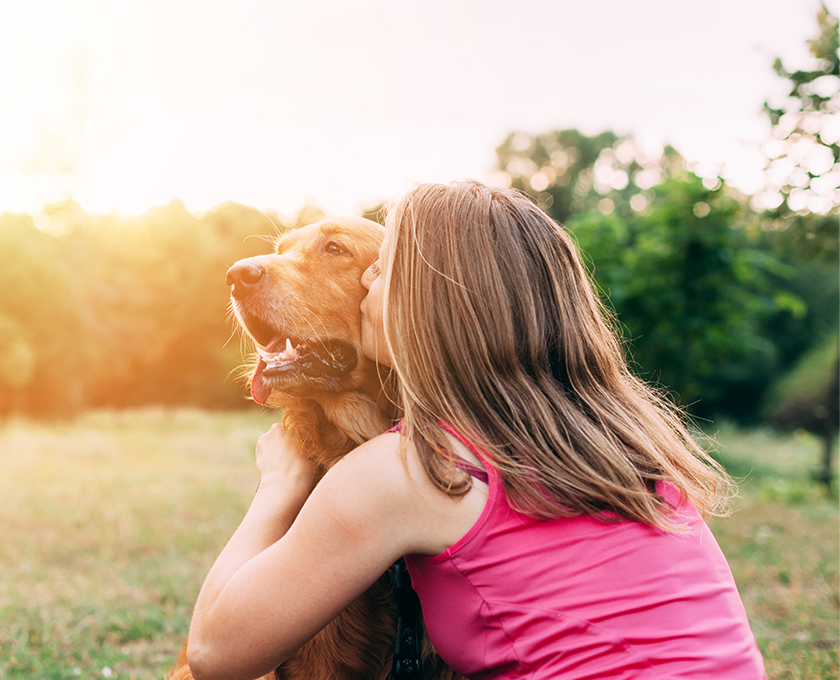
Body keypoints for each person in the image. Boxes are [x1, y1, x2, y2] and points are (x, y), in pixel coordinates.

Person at [187, 180, 766, 680]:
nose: (367, 287)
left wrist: (279, 483)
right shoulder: (628, 443)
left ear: (440, 303)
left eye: (382, 270)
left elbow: (214, 655)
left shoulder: (416, 467)